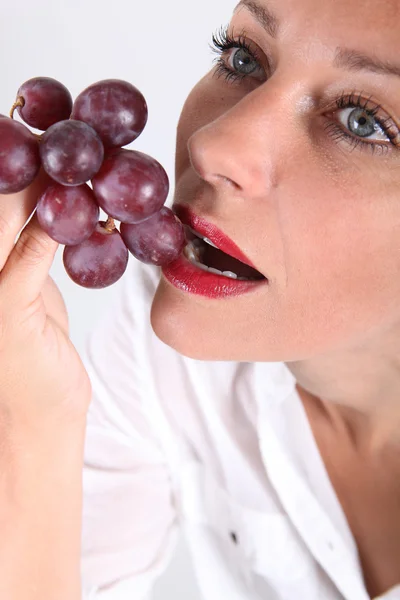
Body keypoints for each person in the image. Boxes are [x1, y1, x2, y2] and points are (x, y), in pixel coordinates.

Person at [1, 0, 400, 598]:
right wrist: (35, 423)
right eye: (243, 57)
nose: (214, 143)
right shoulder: (160, 350)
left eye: (361, 121)